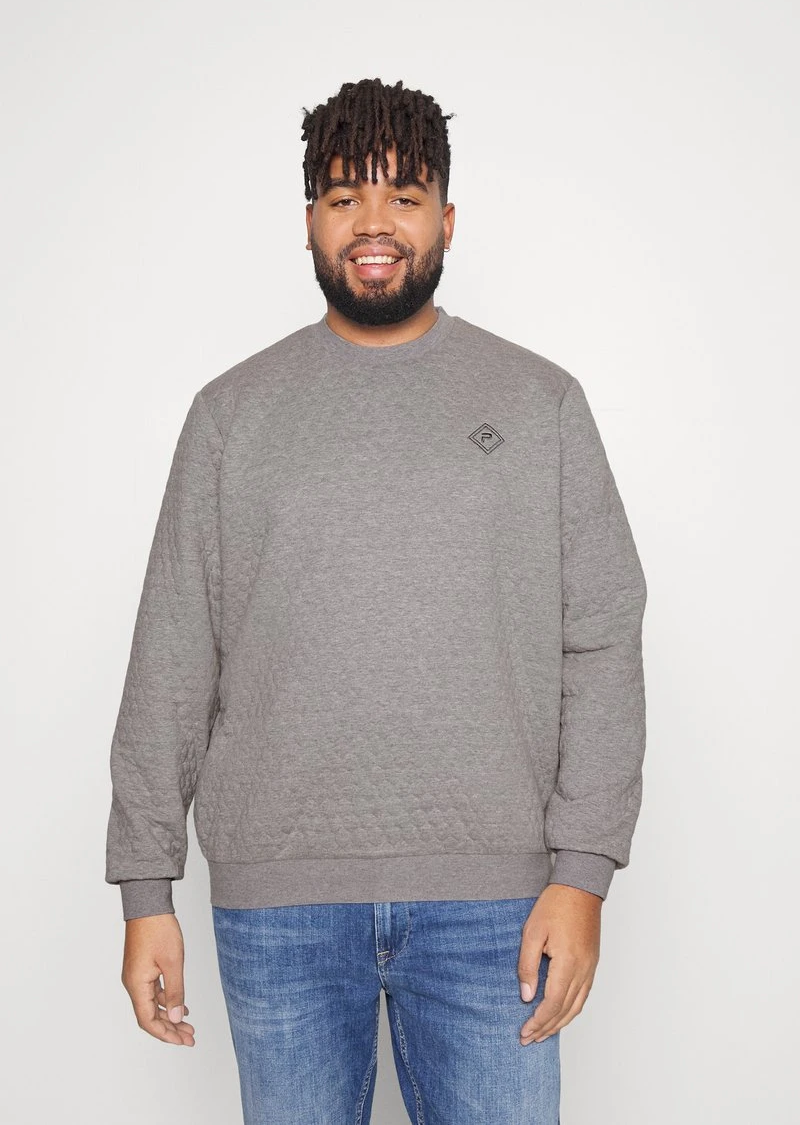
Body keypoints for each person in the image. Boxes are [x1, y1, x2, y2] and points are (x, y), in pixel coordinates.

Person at [105, 77, 648, 1124]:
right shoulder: (229, 416)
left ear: (447, 219)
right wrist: (145, 888)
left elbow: (601, 638)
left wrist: (582, 875)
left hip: (497, 907)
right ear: (309, 219)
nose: (373, 223)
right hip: (280, 910)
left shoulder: (539, 402)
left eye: (403, 196)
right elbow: (174, 649)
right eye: (344, 195)